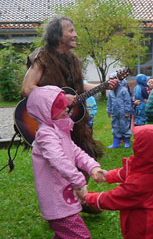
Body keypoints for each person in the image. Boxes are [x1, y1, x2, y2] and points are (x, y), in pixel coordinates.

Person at [21, 16, 117, 161]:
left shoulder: (73, 59)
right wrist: (59, 98)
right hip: (50, 124)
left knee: (85, 160)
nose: (76, 35)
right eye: (71, 31)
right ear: (58, 35)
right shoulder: (42, 57)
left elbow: (78, 86)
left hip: (75, 124)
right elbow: (27, 88)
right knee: (60, 167)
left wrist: (104, 85)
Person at [26, 85, 106, 238]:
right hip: (56, 202)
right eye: (60, 108)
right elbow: (59, 160)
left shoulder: (59, 129)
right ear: (46, 112)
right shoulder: (45, 135)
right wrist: (79, 182)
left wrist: (92, 167)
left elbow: (76, 152)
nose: (66, 110)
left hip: (64, 198)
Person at [76, 125, 153, 239]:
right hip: (145, 217)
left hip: (142, 227)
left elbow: (114, 198)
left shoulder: (140, 182)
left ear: (145, 149)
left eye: (137, 141)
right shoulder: (150, 165)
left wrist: (87, 197)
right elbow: (129, 171)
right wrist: (108, 176)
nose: (133, 141)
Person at [107, 72, 133, 149]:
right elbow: (109, 102)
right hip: (115, 112)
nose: (111, 81)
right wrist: (109, 111)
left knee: (124, 126)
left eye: (112, 79)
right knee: (115, 126)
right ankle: (116, 142)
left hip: (123, 113)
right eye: (110, 79)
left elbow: (128, 102)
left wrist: (127, 112)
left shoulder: (123, 91)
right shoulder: (110, 92)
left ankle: (127, 141)